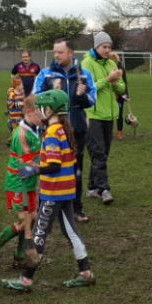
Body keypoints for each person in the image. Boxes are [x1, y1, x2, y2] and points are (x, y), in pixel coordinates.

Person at [0, 90, 98, 293]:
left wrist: (34, 169)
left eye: (41, 107)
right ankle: (86, 273)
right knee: (71, 232)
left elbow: (53, 165)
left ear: (49, 109)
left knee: (38, 236)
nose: (40, 111)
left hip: (53, 193)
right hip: (65, 191)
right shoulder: (62, 128)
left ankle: (25, 280)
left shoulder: (53, 132)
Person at [33, 38, 95, 222]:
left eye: (60, 52)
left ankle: (76, 209)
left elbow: (92, 100)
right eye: (55, 52)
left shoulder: (84, 74)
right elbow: (35, 99)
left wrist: (81, 97)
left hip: (76, 130)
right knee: (49, 167)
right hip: (51, 131)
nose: (57, 55)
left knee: (75, 171)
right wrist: (50, 94)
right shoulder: (46, 74)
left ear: (70, 53)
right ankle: (44, 207)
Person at [0, 94, 43, 269]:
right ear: (30, 112)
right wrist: (49, 168)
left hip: (29, 182)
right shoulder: (21, 135)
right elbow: (28, 164)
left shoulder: (35, 127)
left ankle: (19, 256)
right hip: (18, 183)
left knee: (32, 219)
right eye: (41, 113)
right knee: (25, 219)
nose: (44, 116)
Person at [81, 32, 127, 206]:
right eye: (104, 47)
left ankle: (92, 188)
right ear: (96, 47)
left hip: (109, 115)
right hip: (92, 115)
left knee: (102, 154)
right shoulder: (86, 63)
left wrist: (115, 81)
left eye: (109, 47)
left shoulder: (111, 63)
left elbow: (122, 89)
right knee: (98, 152)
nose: (107, 50)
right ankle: (104, 189)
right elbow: (88, 87)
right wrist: (108, 79)